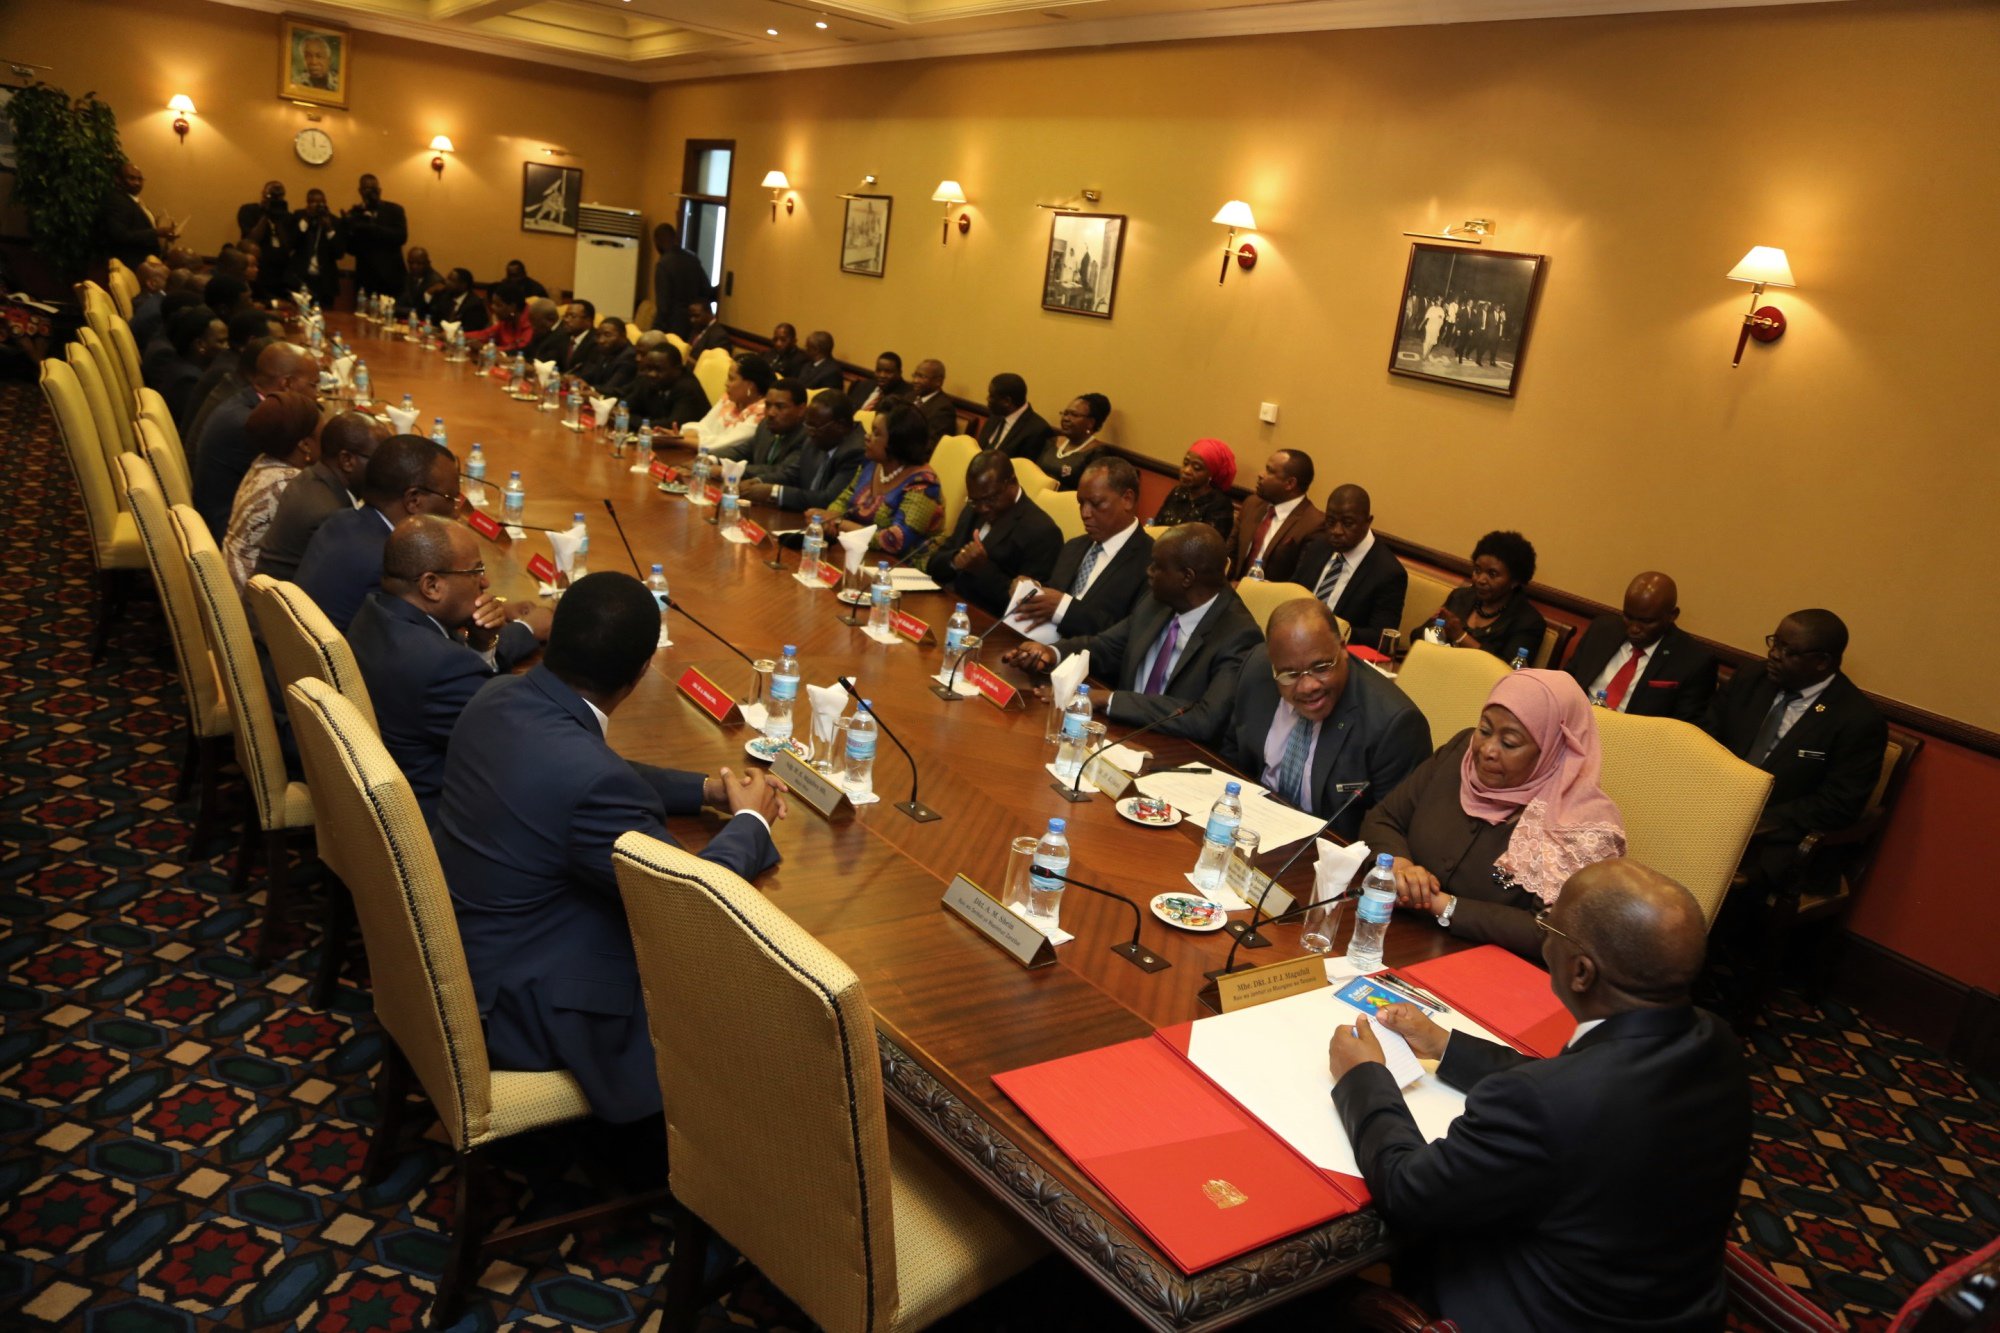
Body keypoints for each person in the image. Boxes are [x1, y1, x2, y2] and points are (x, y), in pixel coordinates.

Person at [1327, 859, 1750, 1333]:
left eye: (1549, 925)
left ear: (1581, 972)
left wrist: (1364, 1077)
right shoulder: (1715, 1039)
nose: (1543, 933)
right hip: (1674, 1306)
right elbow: (1575, 1085)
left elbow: (1408, 1191)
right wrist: (1445, 1046)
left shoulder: (1543, 1101)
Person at [434, 571, 786, 1124]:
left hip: (469, 950)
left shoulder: (497, 695)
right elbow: (691, 903)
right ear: (642, 670)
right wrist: (751, 821)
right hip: (520, 1005)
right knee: (747, 997)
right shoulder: (592, 781)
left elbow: (596, 770)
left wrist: (705, 791)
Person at [1359, 668, 1627, 958]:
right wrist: (1398, 866)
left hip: (1489, 965)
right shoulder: (1460, 754)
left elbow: (1554, 932)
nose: (1487, 749)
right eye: (1484, 730)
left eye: (1509, 743)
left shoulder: (1581, 826)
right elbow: (1383, 818)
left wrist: (1443, 905)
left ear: (1553, 750)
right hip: (1395, 934)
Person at [347, 516, 552, 822]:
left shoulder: (374, 612)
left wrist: (483, 643)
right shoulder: (440, 666)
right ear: (431, 586)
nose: (485, 583)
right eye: (476, 572)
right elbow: (512, 740)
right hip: (446, 819)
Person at [1003, 524, 1259, 745]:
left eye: (1157, 566)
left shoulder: (1238, 635)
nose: (1148, 572)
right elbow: (1105, 646)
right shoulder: (1157, 601)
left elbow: (1205, 719)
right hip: (1117, 734)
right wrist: (1052, 652)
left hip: (1176, 750)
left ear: (1187, 577)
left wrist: (1107, 699)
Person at [1699, 609, 1887, 895]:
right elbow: (1704, 738)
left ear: (1822, 662)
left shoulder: (1856, 720)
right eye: (1775, 642)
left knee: (1708, 877)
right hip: (1713, 811)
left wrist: (1752, 819)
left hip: (1778, 838)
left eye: (1788, 651)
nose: (1774, 654)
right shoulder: (1751, 678)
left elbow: (1838, 805)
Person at [1224, 599, 1431, 836]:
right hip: (1248, 822)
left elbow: (1390, 831)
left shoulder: (1394, 725)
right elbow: (1232, 753)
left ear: (1342, 649)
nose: (1308, 686)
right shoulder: (1257, 669)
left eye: (1321, 667)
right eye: (1291, 674)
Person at [295, 435, 461, 632]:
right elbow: (427, 640)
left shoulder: (340, 520)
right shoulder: (391, 566)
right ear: (414, 500)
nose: (456, 512)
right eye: (451, 498)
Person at [1011, 457, 1154, 639]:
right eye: (1081, 503)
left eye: (1096, 503)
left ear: (1127, 499)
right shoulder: (1074, 546)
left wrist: (1064, 608)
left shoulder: (1151, 563)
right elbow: (1054, 595)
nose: (1085, 513)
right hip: (1035, 645)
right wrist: (1033, 591)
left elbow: (1129, 635)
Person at [191, 341, 316, 536]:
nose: (317, 395)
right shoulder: (250, 424)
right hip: (226, 530)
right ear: (287, 384)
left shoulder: (249, 403)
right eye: (313, 385)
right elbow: (297, 481)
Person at [1563, 572, 1719, 720]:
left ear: (1672, 615)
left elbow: (1685, 727)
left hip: (1633, 735)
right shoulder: (1602, 630)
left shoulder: (1694, 661)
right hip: (1575, 721)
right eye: (1628, 617)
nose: (1634, 628)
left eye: (1646, 621)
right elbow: (1568, 679)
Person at [925, 451, 1064, 616]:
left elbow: (1026, 606)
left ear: (1012, 483)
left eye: (990, 499)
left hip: (988, 620)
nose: (982, 508)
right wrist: (956, 560)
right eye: (975, 501)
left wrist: (982, 568)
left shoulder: (1042, 531)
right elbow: (933, 564)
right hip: (949, 605)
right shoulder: (973, 508)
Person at [810, 402, 945, 564]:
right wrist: (829, 520)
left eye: (876, 433)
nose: (867, 436)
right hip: (860, 555)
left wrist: (839, 523)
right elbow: (843, 500)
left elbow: (894, 541)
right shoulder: (871, 464)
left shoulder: (923, 484)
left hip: (901, 568)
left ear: (897, 442)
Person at [256, 412, 381, 582]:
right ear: (347, 461)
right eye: (379, 460)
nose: (386, 468)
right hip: (285, 596)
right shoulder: (330, 515)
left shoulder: (310, 476)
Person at [221, 391, 318, 590]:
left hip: (233, 575)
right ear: (305, 445)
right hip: (251, 591)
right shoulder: (288, 484)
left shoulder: (264, 461)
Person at [1291, 484, 1409, 645]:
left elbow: (1380, 636)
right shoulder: (1318, 546)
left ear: (1368, 522)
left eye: (1347, 523)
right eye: (1330, 522)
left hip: (1339, 651)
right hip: (1295, 636)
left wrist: (1330, 631)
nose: (1336, 531)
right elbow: (1293, 590)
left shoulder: (1388, 572)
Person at [1423, 530, 1548, 664]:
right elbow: (1416, 638)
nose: (1480, 580)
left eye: (1492, 574)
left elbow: (1508, 671)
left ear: (1515, 581)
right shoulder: (1460, 597)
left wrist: (1461, 636)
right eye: (1477, 570)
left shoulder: (1528, 622)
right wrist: (1435, 627)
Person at [741, 394, 866, 513]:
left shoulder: (856, 452)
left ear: (840, 425)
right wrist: (758, 481)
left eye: (815, 427)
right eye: (807, 425)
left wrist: (775, 492)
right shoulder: (817, 437)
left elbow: (829, 499)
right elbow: (792, 475)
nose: (810, 433)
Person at [1227, 449, 1323, 582]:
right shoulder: (1252, 504)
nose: (1260, 474)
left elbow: (1299, 580)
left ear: (1290, 484)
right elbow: (1229, 554)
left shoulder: (1314, 524)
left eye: (1270, 471)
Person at [708, 379, 808, 475]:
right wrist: (710, 459)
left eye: (780, 407)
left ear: (801, 409)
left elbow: (781, 471)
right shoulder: (766, 425)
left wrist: (730, 470)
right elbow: (742, 451)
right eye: (768, 405)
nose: (771, 413)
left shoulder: (806, 437)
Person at [150, 305, 226, 427]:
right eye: (221, 341)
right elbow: (199, 426)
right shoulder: (188, 380)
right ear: (200, 345)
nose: (227, 347)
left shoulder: (181, 365)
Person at [682, 353, 772, 453]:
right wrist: (681, 437)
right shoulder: (730, 399)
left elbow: (723, 445)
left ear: (750, 385)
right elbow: (703, 426)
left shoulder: (762, 412)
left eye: (731, 378)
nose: (726, 383)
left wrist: (680, 440)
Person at [1150, 438, 1237, 537]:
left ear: (1211, 474)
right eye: (1185, 463)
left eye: (1196, 468)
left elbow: (1208, 544)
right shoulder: (1178, 492)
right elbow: (1156, 525)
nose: (1187, 471)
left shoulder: (1220, 506)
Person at [98, 161, 174, 270]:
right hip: (130, 264)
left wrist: (160, 228)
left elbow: (138, 226)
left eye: (140, 179)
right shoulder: (116, 200)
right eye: (132, 178)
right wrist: (157, 232)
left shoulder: (134, 200)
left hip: (146, 262)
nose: (137, 183)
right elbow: (120, 236)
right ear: (117, 179)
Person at [346, 175, 409, 301]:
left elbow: (401, 237)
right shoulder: (355, 213)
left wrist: (373, 228)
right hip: (365, 277)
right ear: (360, 191)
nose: (370, 193)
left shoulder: (394, 210)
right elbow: (351, 249)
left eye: (373, 189)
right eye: (366, 189)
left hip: (391, 277)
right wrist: (348, 228)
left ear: (379, 191)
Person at [1033, 393, 1111, 491]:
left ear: (1091, 423)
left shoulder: (1097, 452)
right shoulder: (1052, 442)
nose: (1066, 419)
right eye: (1065, 413)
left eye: (1074, 415)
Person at [650, 223, 715, 339]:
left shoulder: (663, 264)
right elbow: (707, 292)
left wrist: (655, 331)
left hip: (672, 326)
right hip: (694, 325)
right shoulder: (693, 259)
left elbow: (663, 306)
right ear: (676, 238)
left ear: (657, 242)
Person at [624, 344, 711, 428]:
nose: (652, 374)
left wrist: (632, 420)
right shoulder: (649, 380)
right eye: (649, 368)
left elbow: (672, 426)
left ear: (677, 370)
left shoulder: (688, 389)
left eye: (658, 369)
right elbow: (624, 408)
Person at [234, 181, 293, 300]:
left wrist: (277, 217)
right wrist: (266, 214)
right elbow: (251, 239)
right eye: (270, 195)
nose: (275, 199)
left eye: (279, 196)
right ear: (263, 194)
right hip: (258, 270)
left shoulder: (287, 216)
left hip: (280, 272)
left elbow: (288, 245)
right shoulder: (249, 210)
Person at [287, 188, 345, 308]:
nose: (318, 206)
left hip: (325, 282)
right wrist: (306, 219)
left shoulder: (334, 221)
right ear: (307, 204)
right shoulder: (299, 217)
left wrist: (329, 229)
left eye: (321, 202)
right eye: (313, 202)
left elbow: (339, 253)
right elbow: (291, 243)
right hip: (301, 278)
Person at [978, 372, 1053, 461]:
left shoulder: (1038, 430)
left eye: (992, 396)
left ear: (1006, 401)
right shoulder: (996, 415)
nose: (988, 399)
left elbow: (1022, 466)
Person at [465, 281, 533, 352]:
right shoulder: (507, 320)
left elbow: (518, 349)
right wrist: (460, 334)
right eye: (493, 303)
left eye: (498, 305)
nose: (492, 307)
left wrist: (484, 347)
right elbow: (485, 335)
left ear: (512, 307)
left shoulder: (531, 323)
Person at [574, 315, 635, 391]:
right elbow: (590, 375)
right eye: (598, 335)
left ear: (623, 336)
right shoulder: (604, 350)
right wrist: (578, 379)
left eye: (607, 335)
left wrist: (591, 388)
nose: (601, 340)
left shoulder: (629, 357)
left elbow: (611, 388)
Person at [905, 358, 957, 442]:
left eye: (922, 376)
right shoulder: (909, 396)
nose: (915, 380)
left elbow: (933, 443)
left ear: (938, 381)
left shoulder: (944, 409)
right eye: (915, 375)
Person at [395, 246, 442, 320]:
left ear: (428, 263)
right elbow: (399, 303)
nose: (414, 266)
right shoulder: (409, 276)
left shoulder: (435, 282)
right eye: (411, 263)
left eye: (419, 263)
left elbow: (429, 313)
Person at [552, 299, 596, 372]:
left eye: (572, 316)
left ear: (588, 320)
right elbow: (553, 362)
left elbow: (589, 372)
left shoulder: (596, 342)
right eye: (566, 316)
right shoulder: (562, 336)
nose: (566, 320)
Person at [521, 297, 567, 363]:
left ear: (550, 319)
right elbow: (527, 350)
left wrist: (522, 361)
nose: (533, 326)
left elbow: (546, 360)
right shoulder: (541, 330)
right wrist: (508, 355)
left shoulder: (564, 334)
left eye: (535, 321)